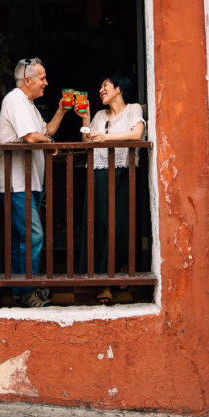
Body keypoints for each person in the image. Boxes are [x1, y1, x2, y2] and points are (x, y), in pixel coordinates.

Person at [0, 57, 70, 308]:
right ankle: (28, 291)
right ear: (27, 80)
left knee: (23, 238)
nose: (46, 83)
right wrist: (49, 144)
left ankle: (20, 289)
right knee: (34, 236)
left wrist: (61, 110)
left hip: (30, 183)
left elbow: (44, 131)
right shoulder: (15, 100)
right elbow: (31, 137)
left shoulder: (29, 105)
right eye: (42, 79)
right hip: (17, 184)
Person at [77, 73, 146, 303]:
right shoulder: (98, 114)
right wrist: (86, 120)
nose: (101, 90)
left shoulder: (133, 109)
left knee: (118, 225)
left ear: (119, 88)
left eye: (105, 85)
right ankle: (104, 278)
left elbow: (137, 134)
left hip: (123, 173)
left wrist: (107, 139)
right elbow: (87, 141)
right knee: (99, 224)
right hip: (97, 173)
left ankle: (111, 277)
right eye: (100, 86)